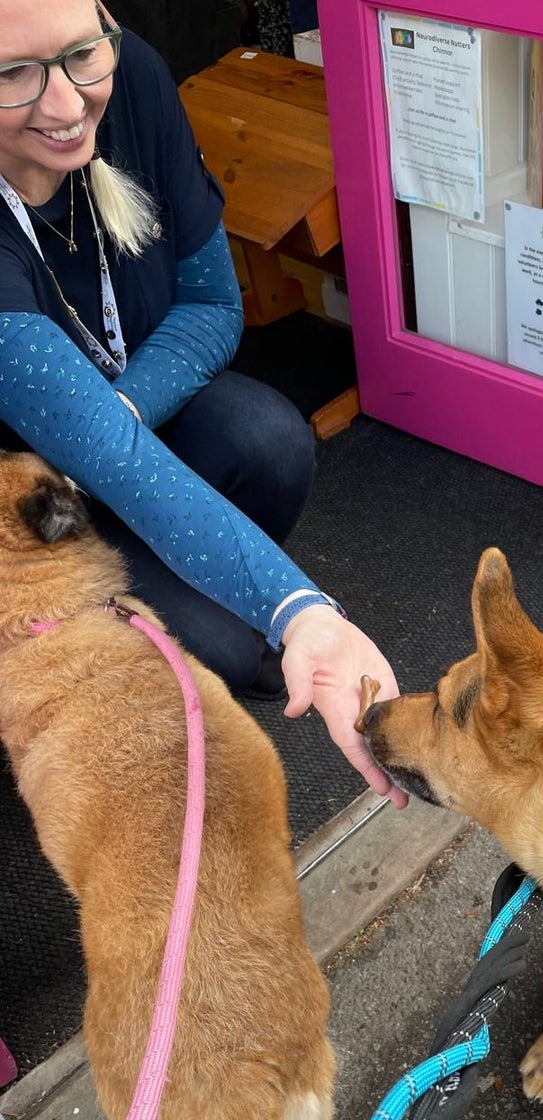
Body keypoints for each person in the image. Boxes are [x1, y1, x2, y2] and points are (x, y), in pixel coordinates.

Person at [0, 0, 406, 806]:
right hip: (22, 503)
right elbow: (101, 458)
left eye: (84, 53)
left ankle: (170, 598)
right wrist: (303, 611)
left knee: (268, 437)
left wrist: (121, 414)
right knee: (218, 647)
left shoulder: (135, 78)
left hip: (115, 434)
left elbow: (214, 308)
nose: (68, 103)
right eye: (13, 74)